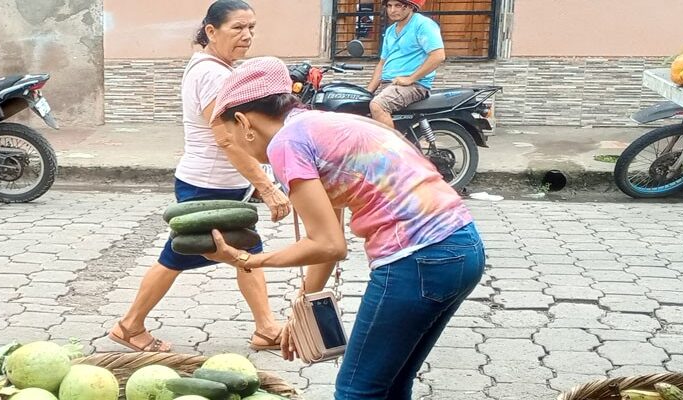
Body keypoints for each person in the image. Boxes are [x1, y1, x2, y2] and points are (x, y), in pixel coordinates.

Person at [203, 57, 486, 400]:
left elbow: (329, 245)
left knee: (356, 390)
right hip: (462, 248)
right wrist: (303, 306)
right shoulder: (318, 126)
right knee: (392, 383)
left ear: (243, 121)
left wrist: (250, 260)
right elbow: (330, 233)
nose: (236, 146)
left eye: (229, 137)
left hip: (418, 258)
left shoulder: (285, 144)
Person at [107, 0, 287, 353]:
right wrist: (268, 188)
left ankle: (266, 327)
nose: (247, 35)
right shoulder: (212, 74)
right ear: (210, 31)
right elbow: (226, 139)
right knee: (177, 255)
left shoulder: (218, 69)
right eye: (237, 28)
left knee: (248, 250)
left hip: (222, 185)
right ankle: (129, 326)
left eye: (251, 27)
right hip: (207, 185)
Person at [367, 0, 445, 129]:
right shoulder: (390, 30)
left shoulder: (423, 24)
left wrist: (410, 79)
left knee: (378, 105)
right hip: (390, 85)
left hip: (414, 86)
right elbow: (382, 63)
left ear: (411, 7)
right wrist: (368, 91)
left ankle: (392, 148)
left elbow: (438, 56)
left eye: (398, 6)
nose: (392, 10)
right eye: (389, 6)